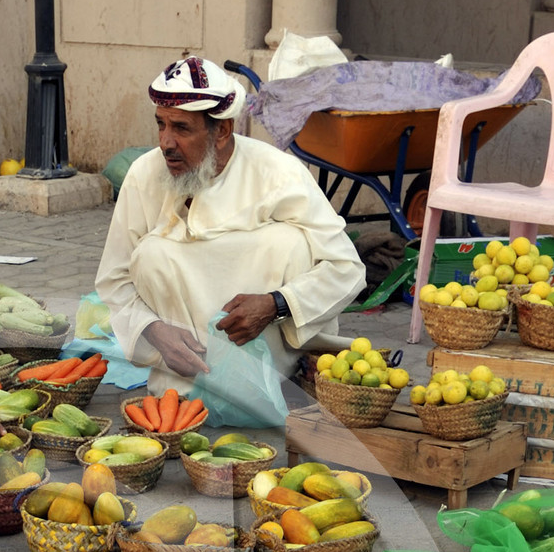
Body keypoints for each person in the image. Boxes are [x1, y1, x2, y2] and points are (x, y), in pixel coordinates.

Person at [96, 56, 365, 397]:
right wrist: (152, 330)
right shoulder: (144, 174)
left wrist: (276, 304)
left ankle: (277, 380)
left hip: (272, 360)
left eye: (181, 128)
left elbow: (347, 269)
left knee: (293, 243)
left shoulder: (278, 172)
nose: (165, 142)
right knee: (151, 254)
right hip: (185, 375)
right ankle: (197, 383)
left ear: (222, 130)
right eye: (161, 125)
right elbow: (114, 279)